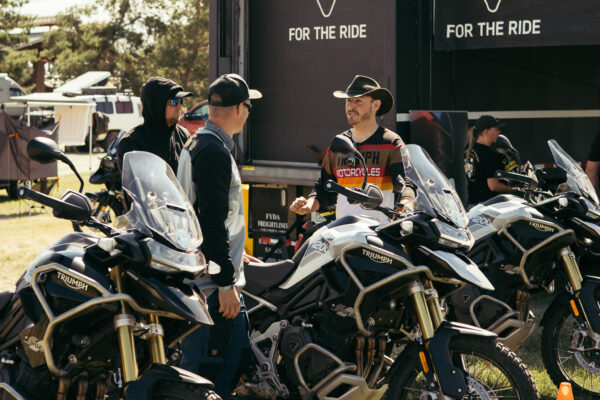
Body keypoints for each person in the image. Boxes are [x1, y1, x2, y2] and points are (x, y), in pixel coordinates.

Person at [176, 73, 262, 399]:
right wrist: (225, 283)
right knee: (210, 379)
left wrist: (237, 256)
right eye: (249, 106)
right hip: (211, 290)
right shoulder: (213, 151)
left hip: (202, 280)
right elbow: (211, 223)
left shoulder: (198, 141)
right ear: (240, 108)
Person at [289, 75, 415, 223]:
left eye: (358, 101)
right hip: (344, 235)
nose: (351, 106)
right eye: (348, 101)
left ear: (376, 105)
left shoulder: (391, 142)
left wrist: (407, 203)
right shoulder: (339, 143)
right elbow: (324, 186)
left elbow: (407, 182)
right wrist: (308, 205)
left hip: (378, 237)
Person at [117, 76, 192, 172]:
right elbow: (138, 184)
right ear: (157, 105)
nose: (179, 106)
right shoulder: (131, 143)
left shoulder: (183, 135)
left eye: (181, 101)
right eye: (174, 102)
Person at [464, 115, 513, 207]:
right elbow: (493, 186)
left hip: (472, 204)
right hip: (488, 207)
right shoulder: (490, 153)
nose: (499, 131)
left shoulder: (468, 148)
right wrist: (515, 190)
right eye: (496, 128)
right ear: (486, 131)